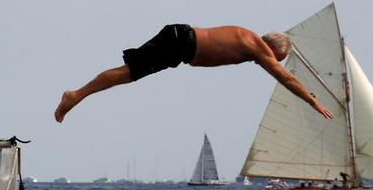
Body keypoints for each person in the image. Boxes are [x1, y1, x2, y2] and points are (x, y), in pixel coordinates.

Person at [54, 24, 335, 122]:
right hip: (181, 43)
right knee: (128, 73)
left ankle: (77, 95)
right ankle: (75, 95)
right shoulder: (257, 47)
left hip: (180, 42)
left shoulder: (249, 40)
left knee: (129, 73)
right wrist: (313, 101)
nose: (275, 63)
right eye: (279, 58)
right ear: (274, 48)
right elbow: (285, 78)